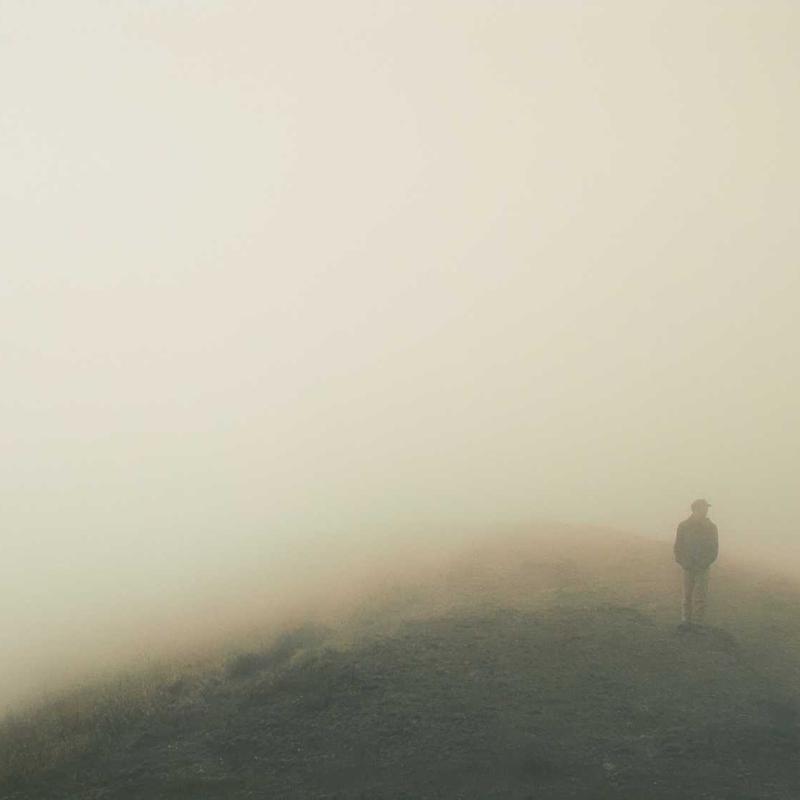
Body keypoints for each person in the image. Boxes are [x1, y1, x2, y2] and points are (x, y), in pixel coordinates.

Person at [673, 499, 718, 630]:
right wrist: (683, 562)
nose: (705, 511)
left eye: (706, 508)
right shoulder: (684, 526)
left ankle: (698, 623)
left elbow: (714, 548)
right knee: (687, 594)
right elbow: (678, 546)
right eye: (703, 508)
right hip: (688, 566)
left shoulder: (711, 527)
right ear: (695, 509)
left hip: (702, 566)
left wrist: (705, 563)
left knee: (701, 595)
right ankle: (686, 621)